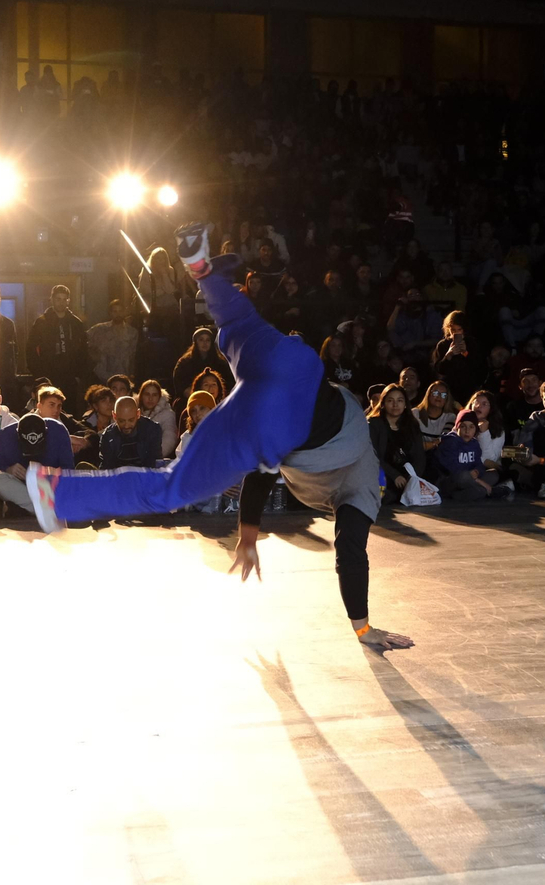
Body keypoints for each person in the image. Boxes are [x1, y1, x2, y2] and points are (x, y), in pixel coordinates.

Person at [27, 222, 414, 650]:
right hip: (281, 420)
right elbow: (350, 554)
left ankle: (202, 267)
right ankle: (57, 492)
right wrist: (362, 626)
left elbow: (265, 478)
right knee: (170, 489)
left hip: (292, 364)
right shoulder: (363, 492)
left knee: (236, 319)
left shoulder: (352, 438)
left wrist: (248, 530)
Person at [0, 402, 76, 513]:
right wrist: (8, 469)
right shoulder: (4, 437)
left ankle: (30, 509)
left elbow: (69, 470)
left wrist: (44, 476)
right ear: (17, 436)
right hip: (19, 488)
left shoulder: (58, 431)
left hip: (49, 487)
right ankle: (47, 510)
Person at [27, 284, 90, 407]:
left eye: (64, 299)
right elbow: (31, 349)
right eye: (58, 299)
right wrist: (39, 375)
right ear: (52, 299)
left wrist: (79, 375)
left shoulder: (76, 323)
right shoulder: (42, 322)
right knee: (48, 408)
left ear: (68, 301)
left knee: (69, 409)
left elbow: (83, 351)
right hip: (48, 376)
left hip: (70, 377)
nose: (61, 302)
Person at [367, 384, 424, 504]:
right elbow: (373, 457)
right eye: (390, 400)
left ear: (405, 404)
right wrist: (395, 475)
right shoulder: (374, 424)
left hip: (408, 475)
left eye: (399, 400)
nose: (395, 405)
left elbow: (419, 456)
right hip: (383, 474)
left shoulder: (412, 425)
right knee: (386, 494)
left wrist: (412, 477)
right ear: (383, 403)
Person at [431, 410, 498, 501]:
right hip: (450, 481)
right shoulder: (450, 442)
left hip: (469, 479)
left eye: (471, 427)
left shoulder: (474, 443)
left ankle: (474, 492)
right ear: (457, 427)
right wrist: (478, 481)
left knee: (493, 474)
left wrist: (477, 471)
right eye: (463, 427)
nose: (467, 431)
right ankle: (484, 490)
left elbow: (479, 463)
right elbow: (453, 469)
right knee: (464, 477)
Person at [171, 327, 232, 404]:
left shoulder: (220, 363)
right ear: (195, 342)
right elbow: (180, 386)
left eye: (208, 340)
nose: (204, 343)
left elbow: (228, 384)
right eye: (201, 340)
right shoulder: (184, 362)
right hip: (190, 401)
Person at [100, 396, 162, 470]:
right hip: (119, 479)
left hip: (145, 477)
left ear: (138, 414)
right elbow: (107, 469)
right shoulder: (108, 436)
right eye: (121, 421)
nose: (126, 426)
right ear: (114, 416)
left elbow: (155, 464)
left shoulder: (151, 430)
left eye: (131, 420)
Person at [88, 299, 138, 381]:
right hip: (102, 375)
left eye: (120, 311)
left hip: (123, 376)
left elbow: (134, 355)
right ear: (110, 313)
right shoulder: (100, 329)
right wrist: (94, 357)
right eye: (115, 311)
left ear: (124, 312)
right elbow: (84, 339)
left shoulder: (132, 333)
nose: (118, 314)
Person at [410, 381, 455, 454]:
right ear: (428, 394)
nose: (439, 396)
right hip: (417, 454)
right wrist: (433, 444)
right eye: (435, 393)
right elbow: (413, 443)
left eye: (443, 395)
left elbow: (443, 442)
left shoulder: (450, 417)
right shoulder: (415, 413)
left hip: (438, 456)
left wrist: (427, 445)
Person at [138, 380, 179, 458]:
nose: (150, 398)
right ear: (141, 396)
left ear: (159, 396)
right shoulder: (133, 412)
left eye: (154, 395)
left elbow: (169, 438)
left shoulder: (167, 415)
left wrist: (154, 456)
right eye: (147, 394)